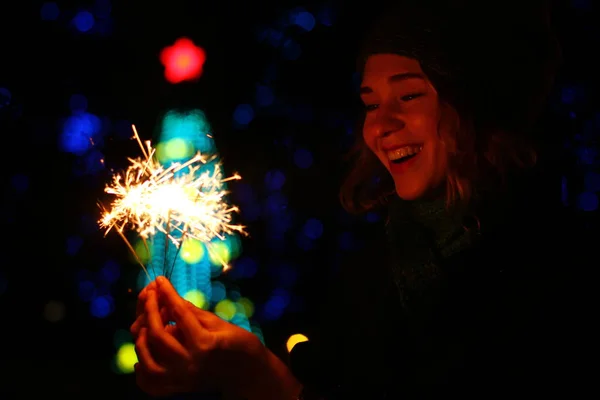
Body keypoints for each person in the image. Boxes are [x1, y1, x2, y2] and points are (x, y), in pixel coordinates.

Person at [132, 1, 594, 398]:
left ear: (479, 104)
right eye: (371, 103)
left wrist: (265, 380)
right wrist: (249, 372)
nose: (381, 126)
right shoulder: (374, 269)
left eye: (409, 95)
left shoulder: (545, 272)